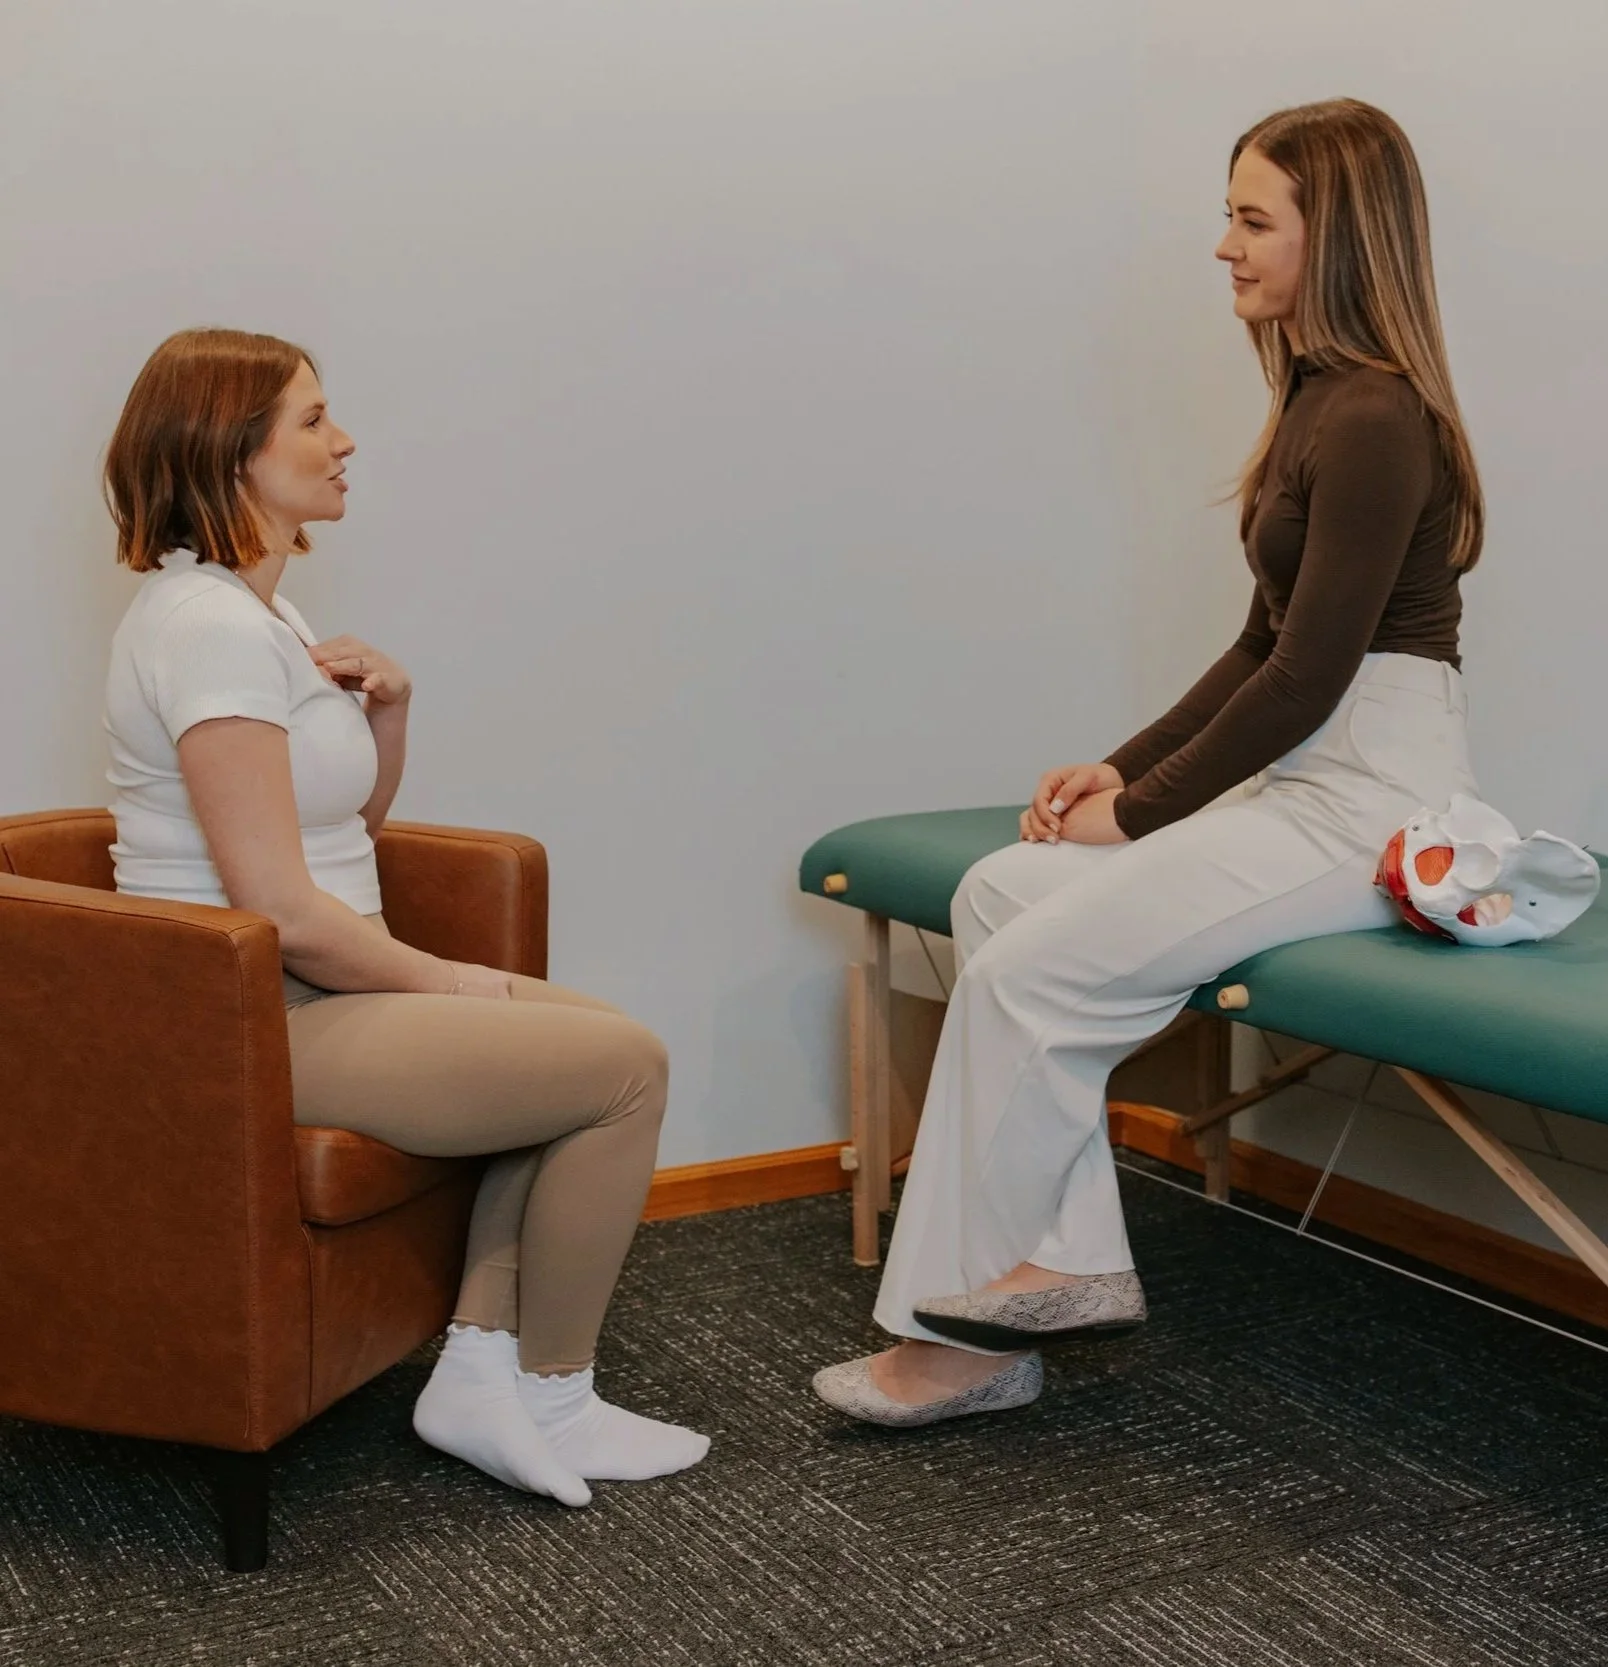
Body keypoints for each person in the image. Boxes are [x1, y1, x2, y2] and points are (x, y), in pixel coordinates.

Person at [813, 98, 1484, 1426]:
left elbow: (1309, 676)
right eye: (1227, 215)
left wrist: (1150, 811)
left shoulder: (1376, 418)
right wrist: (1108, 775)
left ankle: (958, 1341)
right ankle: (1053, 1264)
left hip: (1376, 804)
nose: (1222, 246)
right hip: (1312, 783)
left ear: (1333, 237)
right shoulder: (1313, 401)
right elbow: (1258, 643)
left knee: (1026, 969)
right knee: (1008, 888)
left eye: (1252, 219)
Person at [101, 328, 710, 1503]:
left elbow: (341, 837)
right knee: (620, 1066)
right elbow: (276, 904)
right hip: (251, 1014)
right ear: (234, 452)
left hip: (320, 986)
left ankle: (484, 1375)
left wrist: (390, 714)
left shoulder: (262, 613)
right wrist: (442, 977)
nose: (346, 441)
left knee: (593, 1039)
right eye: (314, 420)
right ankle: (549, 1391)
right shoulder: (207, 626)